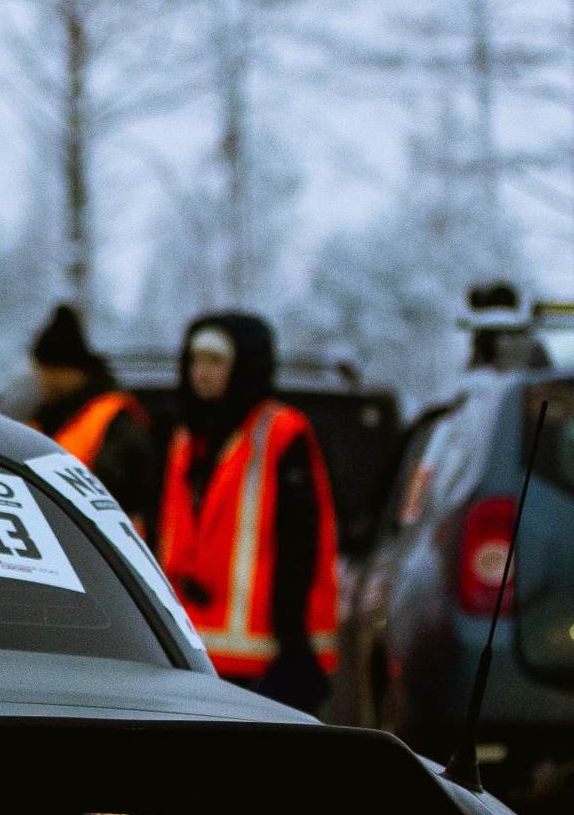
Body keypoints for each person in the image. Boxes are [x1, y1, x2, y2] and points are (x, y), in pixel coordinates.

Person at [155, 311, 339, 709]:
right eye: (195, 360)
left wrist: (293, 639)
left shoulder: (279, 432)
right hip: (194, 648)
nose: (200, 372)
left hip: (265, 654)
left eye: (215, 361)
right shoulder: (186, 437)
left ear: (243, 367)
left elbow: (299, 540)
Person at [20, 303, 160, 528]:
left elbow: (124, 491)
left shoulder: (112, 417)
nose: (44, 380)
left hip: (106, 548)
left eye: (51, 370)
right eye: (41, 371)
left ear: (73, 370)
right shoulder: (44, 417)